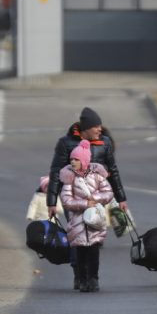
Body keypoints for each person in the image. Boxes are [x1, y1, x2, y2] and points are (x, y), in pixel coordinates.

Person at [47, 107, 128, 290]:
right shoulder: (66, 143)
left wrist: (121, 198)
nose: (100, 129)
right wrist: (52, 201)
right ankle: (79, 275)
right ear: (86, 128)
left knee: (94, 238)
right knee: (77, 237)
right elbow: (55, 173)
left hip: (97, 200)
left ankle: (93, 278)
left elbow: (113, 172)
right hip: (74, 201)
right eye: (96, 127)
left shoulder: (105, 143)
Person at [60, 140, 114, 293]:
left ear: (84, 160)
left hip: (95, 220)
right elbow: (66, 200)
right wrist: (84, 203)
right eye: (72, 159)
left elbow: (108, 193)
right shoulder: (69, 178)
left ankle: (94, 279)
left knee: (94, 252)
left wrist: (95, 199)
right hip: (77, 222)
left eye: (76, 159)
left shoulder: (97, 176)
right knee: (81, 253)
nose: (73, 162)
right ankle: (82, 279)